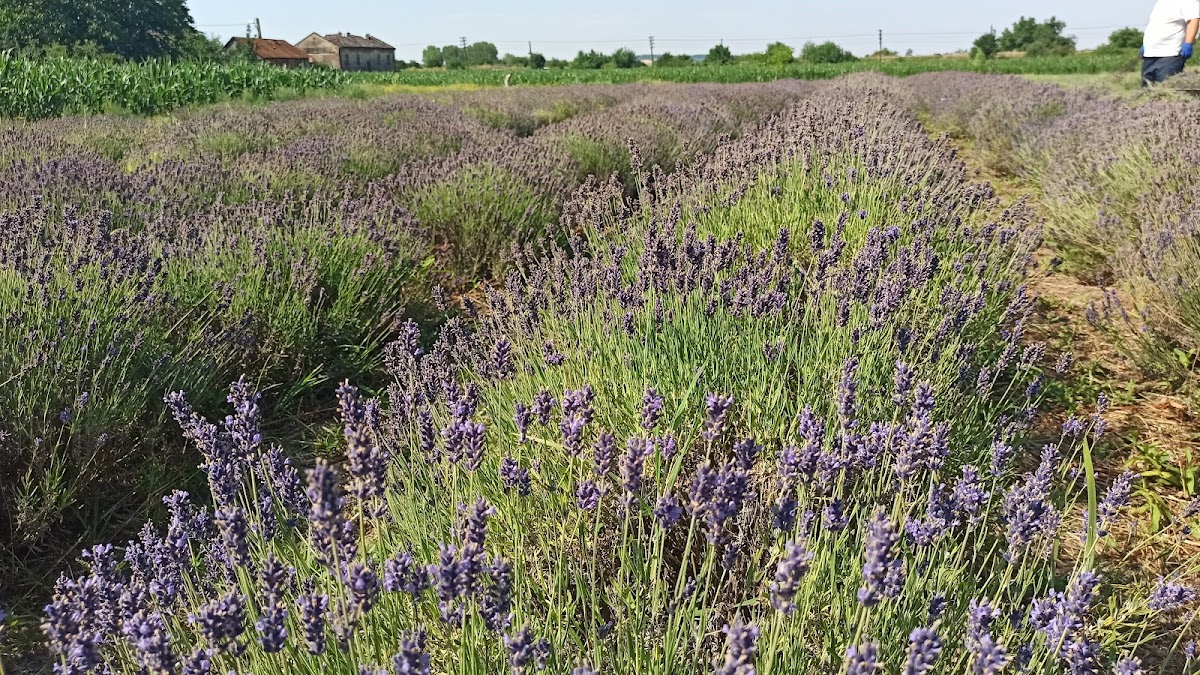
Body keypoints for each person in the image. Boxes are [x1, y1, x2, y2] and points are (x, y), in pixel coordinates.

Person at [1143, 0, 1200, 86]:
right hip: (1150, 54)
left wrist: (1188, 43)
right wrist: (1146, 45)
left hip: (1170, 54)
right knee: (1146, 91)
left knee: (1166, 89)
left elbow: (1193, 21)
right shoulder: (1161, 2)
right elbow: (1155, 23)